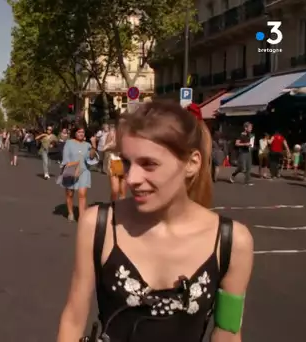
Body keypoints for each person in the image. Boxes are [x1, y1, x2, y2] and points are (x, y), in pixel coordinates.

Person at [57, 101, 254, 342]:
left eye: (149, 164)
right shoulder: (98, 225)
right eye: (127, 163)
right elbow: (74, 318)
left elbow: (228, 333)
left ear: (192, 163)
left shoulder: (233, 242)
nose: (132, 179)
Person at [60, 123, 97, 222]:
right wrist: (67, 168)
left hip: (84, 171)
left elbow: (91, 157)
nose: (81, 134)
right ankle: (71, 213)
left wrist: (94, 145)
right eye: (79, 132)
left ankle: (81, 217)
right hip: (71, 170)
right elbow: (65, 157)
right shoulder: (69, 143)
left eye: (83, 132)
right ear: (75, 133)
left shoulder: (87, 145)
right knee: (70, 194)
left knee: (82, 194)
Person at [103, 121, 126, 201]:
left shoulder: (128, 134)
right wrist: (114, 147)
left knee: (123, 191)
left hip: (125, 161)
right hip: (114, 161)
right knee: (115, 190)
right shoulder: (112, 133)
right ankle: (113, 207)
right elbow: (104, 148)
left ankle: (121, 209)